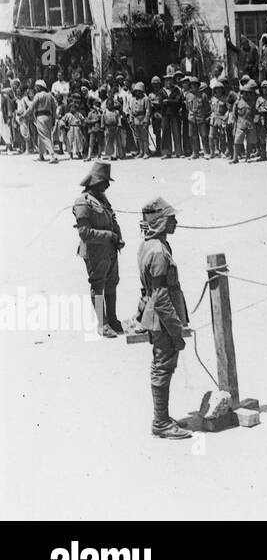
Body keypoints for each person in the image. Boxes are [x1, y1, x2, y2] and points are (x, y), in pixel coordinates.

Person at [136, 197, 192, 439]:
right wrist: (176, 330)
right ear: (160, 222)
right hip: (162, 320)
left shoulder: (150, 245)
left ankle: (162, 417)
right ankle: (160, 422)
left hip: (155, 316)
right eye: (171, 218)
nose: (176, 222)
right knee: (163, 367)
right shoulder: (159, 251)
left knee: (162, 366)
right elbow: (160, 297)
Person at [73, 160, 125, 337]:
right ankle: (102, 324)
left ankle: (112, 318)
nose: (108, 185)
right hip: (95, 252)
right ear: (95, 181)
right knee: (98, 286)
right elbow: (85, 233)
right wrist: (109, 236)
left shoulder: (102, 198)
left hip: (109, 250)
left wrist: (119, 237)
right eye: (105, 181)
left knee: (112, 283)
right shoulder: (83, 202)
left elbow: (113, 219)